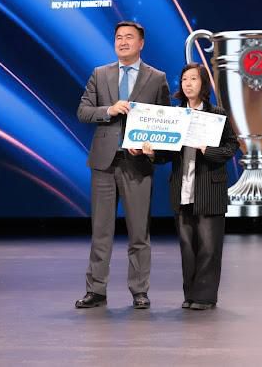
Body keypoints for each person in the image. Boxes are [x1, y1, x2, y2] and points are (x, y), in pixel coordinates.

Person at [75, 21, 170, 309]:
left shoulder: (157, 78)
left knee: (139, 232)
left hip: (137, 164)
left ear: (141, 43)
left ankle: (140, 291)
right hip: (104, 162)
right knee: (101, 231)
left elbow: (165, 120)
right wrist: (109, 109)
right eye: (118, 37)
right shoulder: (100, 74)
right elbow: (83, 111)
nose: (123, 42)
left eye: (129, 37)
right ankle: (96, 290)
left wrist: (152, 148)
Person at [143, 63, 238, 310]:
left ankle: (205, 297)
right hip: (182, 187)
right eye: (184, 79)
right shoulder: (175, 115)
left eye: (193, 79)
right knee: (187, 246)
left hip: (209, 189)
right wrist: (152, 153)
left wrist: (208, 150)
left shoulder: (217, 114)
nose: (188, 83)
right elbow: (166, 153)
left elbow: (231, 146)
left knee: (209, 245)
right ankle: (191, 294)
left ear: (203, 83)